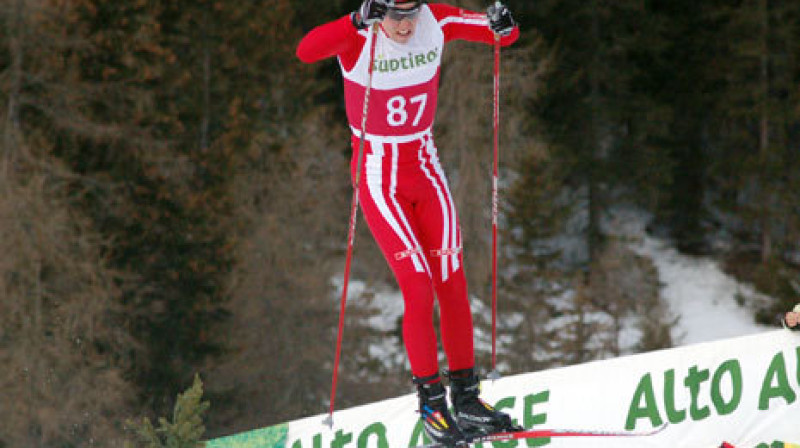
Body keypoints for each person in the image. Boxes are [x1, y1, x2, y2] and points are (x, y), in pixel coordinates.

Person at [296, 1, 520, 446]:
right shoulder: (358, 34)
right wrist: (355, 20)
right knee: (418, 289)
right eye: (393, 16)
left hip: (425, 166)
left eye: (410, 15)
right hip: (379, 176)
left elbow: (504, 36)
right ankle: (432, 407)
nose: (403, 26)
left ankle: (467, 398)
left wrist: (502, 21)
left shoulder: (437, 19)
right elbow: (306, 50)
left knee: (452, 283)